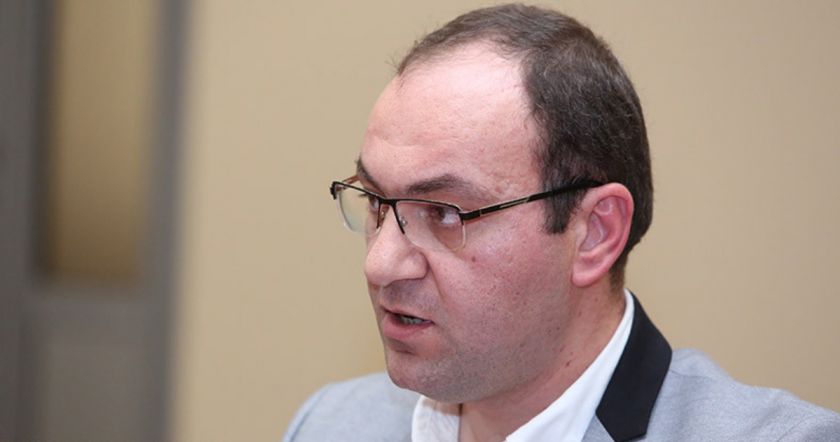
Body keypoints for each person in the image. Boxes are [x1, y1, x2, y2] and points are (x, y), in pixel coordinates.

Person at [284, 4, 840, 441]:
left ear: (595, 233)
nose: (380, 264)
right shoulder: (329, 425)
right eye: (376, 202)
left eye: (445, 213)